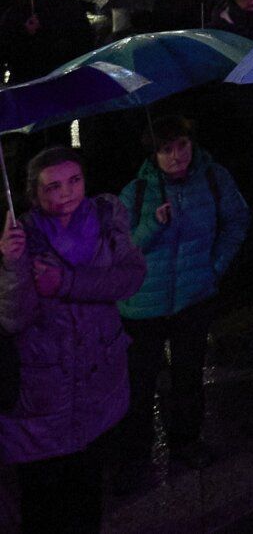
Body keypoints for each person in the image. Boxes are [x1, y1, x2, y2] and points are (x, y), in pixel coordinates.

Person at [0, 147, 146, 534]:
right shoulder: (21, 233)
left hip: (99, 376)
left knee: (87, 488)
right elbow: (13, 318)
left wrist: (65, 283)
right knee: (43, 499)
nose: (65, 193)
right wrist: (13, 265)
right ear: (34, 193)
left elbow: (130, 277)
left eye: (74, 180)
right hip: (45, 385)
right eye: (52, 186)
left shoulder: (105, 216)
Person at [114, 116, 250, 489]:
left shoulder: (212, 177)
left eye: (182, 146)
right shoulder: (138, 191)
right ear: (153, 153)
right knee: (139, 384)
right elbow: (122, 250)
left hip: (194, 297)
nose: (177, 156)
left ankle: (186, 441)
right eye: (166, 149)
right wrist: (153, 226)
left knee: (188, 375)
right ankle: (133, 455)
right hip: (143, 307)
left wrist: (214, 267)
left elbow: (238, 220)